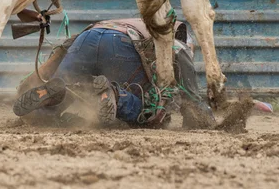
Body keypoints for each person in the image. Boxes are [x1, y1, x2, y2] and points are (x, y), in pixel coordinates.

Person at [13, 17, 217, 129]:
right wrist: (201, 111)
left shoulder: (131, 21)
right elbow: (181, 58)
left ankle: (49, 96)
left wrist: (29, 83)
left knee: (61, 99)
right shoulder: (176, 33)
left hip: (85, 38)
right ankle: (116, 95)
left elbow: (58, 55)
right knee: (149, 113)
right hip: (121, 44)